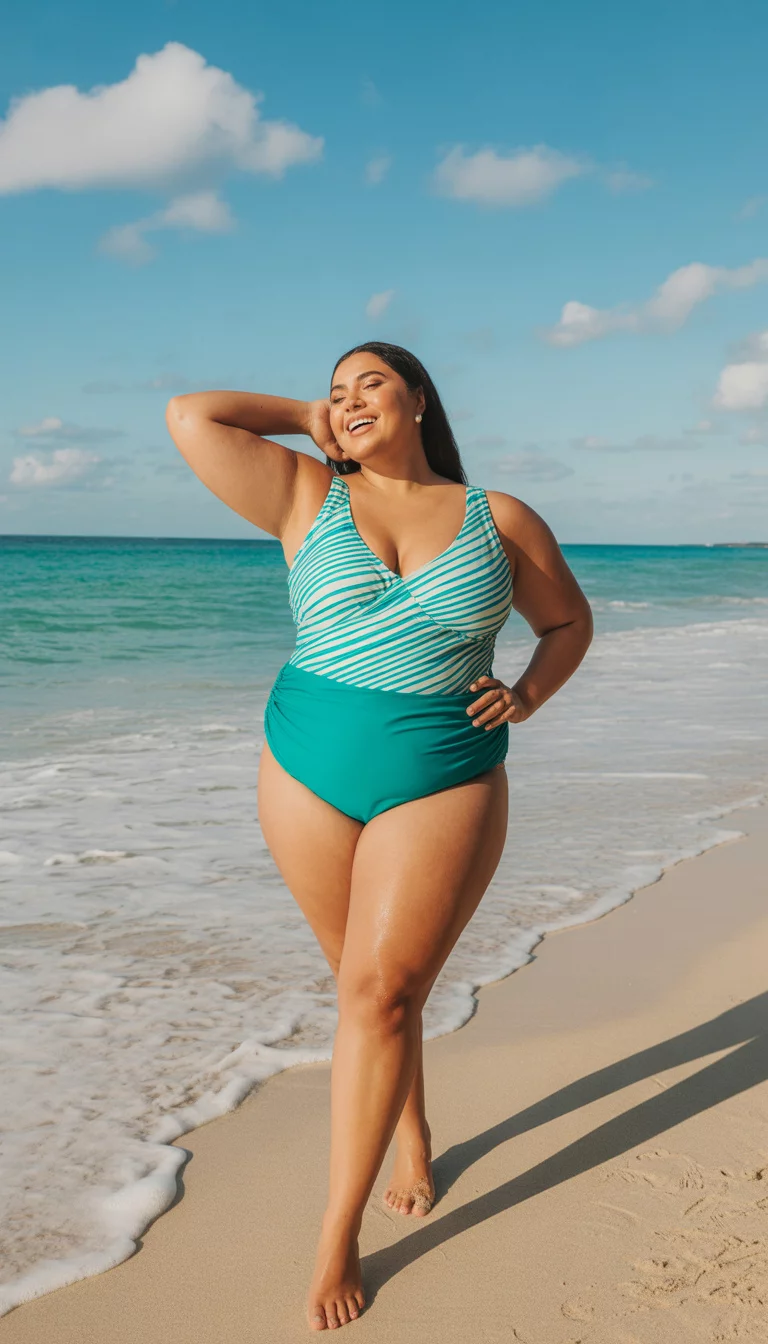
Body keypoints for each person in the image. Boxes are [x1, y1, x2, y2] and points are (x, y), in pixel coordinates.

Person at [166, 341, 592, 1331]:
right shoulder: (304, 494)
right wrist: (306, 417)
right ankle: (412, 1131)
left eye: (372, 384)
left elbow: (567, 623)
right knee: (363, 986)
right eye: (338, 390)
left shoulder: (498, 517)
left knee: (382, 993)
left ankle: (336, 1232)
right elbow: (192, 415)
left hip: (441, 769)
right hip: (305, 766)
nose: (350, 400)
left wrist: (527, 694)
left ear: (420, 399)